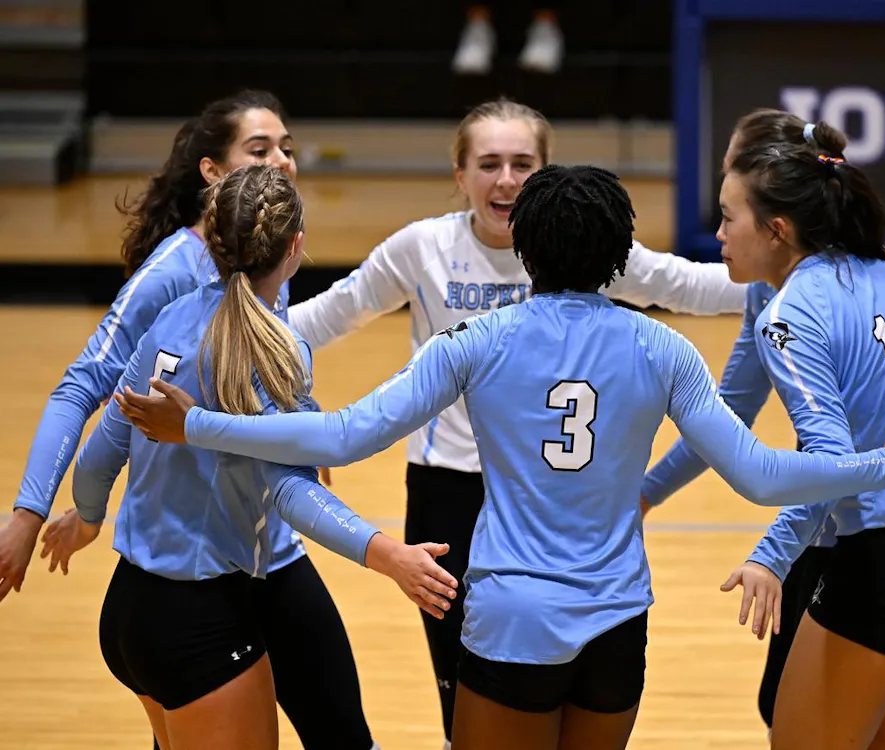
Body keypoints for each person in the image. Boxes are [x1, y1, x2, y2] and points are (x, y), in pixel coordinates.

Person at [116, 164, 885, 750]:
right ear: (616, 253)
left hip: (511, 620)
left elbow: (340, 436)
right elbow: (759, 474)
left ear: (524, 247)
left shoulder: (477, 342)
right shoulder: (657, 348)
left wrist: (197, 428)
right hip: (616, 622)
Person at [285, 95, 747, 749]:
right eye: (489, 163)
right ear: (460, 174)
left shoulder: (583, 244)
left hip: (552, 490)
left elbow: (692, 286)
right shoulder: (423, 248)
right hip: (450, 488)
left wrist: (792, 278)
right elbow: (329, 315)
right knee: (464, 683)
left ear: (546, 173)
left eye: (522, 163)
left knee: (540, 678)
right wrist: (232, 340)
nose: (504, 179)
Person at [4, 90, 380, 750]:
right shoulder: (175, 277)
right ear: (212, 174)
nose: (283, 162)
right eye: (260, 150)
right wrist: (32, 511)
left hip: (254, 551)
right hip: (197, 578)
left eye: (287, 148)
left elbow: (257, 372)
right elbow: (84, 389)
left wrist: (294, 421)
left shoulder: (260, 259)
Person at [39, 164, 457, 750]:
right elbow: (291, 491)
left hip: (130, 609)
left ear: (211, 241)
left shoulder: (171, 318)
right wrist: (389, 556)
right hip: (200, 622)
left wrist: (84, 517)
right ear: (296, 247)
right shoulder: (274, 350)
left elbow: (102, 448)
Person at [639, 107, 885, 734]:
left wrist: (770, 556)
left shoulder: (791, 312)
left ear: (776, 227)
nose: (715, 232)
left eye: (726, 215)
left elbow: (826, 468)